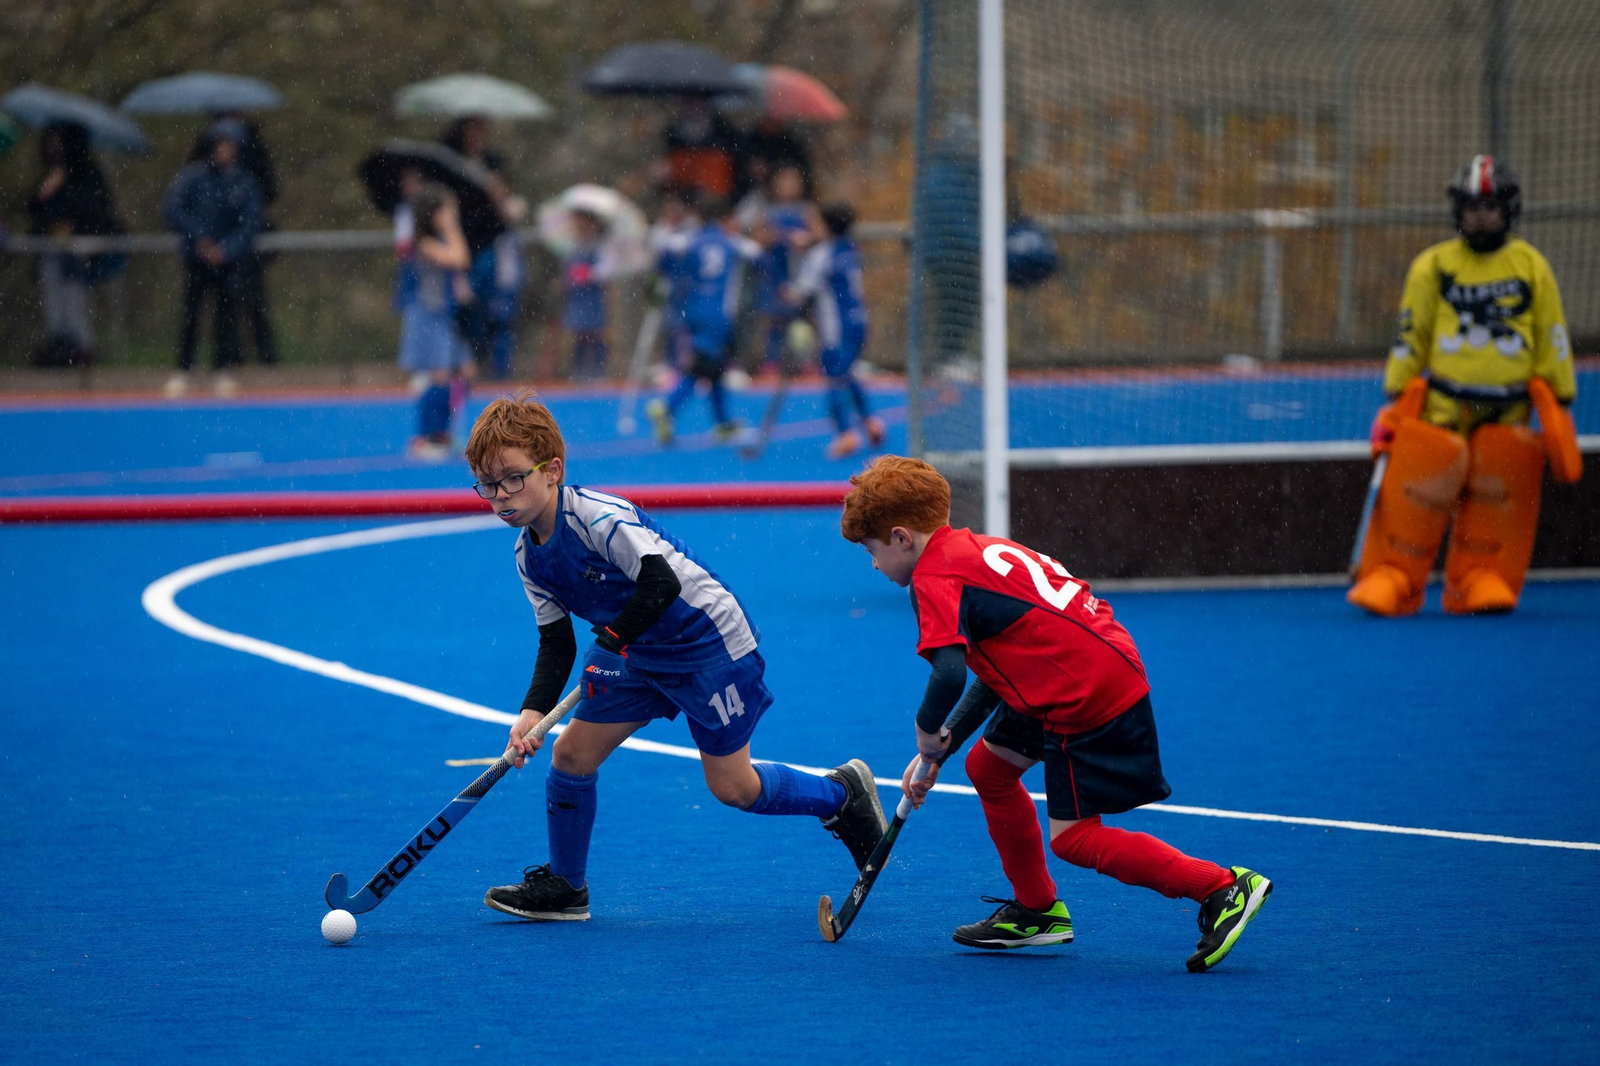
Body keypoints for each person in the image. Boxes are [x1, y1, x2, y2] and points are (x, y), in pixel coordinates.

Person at [465, 391, 888, 920]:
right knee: (571, 755)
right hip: (638, 648)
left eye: (512, 477)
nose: (499, 494)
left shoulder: (597, 518)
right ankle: (567, 887)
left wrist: (612, 644)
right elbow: (556, 641)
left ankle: (841, 795)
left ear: (552, 471)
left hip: (708, 643)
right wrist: (533, 712)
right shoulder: (528, 555)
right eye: (486, 483)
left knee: (733, 787)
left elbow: (660, 584)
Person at [839, 455, 1273, 971]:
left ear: (901, 537)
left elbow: (950, 673)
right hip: (1084, 667)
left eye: (872, 550)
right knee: (988, 769)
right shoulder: (974, 549)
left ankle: (1221, 887)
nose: (872, 563)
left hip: (1081, 692)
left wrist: (927, 734)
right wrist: (947, 744)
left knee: (1075, 838)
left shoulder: (932, 577)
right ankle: (1037, 912)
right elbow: (998, 664)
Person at [1349, 155, 1581, 617]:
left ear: (1509, 209)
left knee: (1497, 494)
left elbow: (1551, 331)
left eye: (1490, 205)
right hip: (1442, 405)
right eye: (1471, 204)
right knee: (1418, 489)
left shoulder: (1530, 266)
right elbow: (1411, 331)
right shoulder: (1432, 267)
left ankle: (1482, 576)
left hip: (1509, 409)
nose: (1480, 214)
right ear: (1457, 209)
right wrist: (1396, 396)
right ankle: (1393, 573)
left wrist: (1559, 396)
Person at [646, 199, 762, 443]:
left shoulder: (689, 240)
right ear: (725, 220)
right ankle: (666, 408)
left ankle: (722, 423)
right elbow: (758, 256)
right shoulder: (732, 243)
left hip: (694, 309)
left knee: (716, 369)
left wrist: (661, 278)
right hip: (719, 315)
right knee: (702, 368)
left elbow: (665, 254)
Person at [162, 118, 263, 398]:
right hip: (197, 258)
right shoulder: (194, 177)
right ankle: (184, 369)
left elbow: (250, 223)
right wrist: (200, 239)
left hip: (227, 262)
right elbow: (173, 208)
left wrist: (226, 249)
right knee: (192, 315)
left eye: (229, 146)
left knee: (226, 317)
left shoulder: (243, 182)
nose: (224, 151)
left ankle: (221, 369)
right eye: (220, 145)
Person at [788, 203, 884, 459]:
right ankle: (870, 422)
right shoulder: (850, 248)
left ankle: (845, 434)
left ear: (826, 227)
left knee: (833, 378)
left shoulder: (820, 255)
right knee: (846, 374)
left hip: (836, 328)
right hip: (859, 322)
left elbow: (799, 294)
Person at [25, 121, 120, 368]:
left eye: (59, 142)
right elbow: (35, 210)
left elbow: (96, 210)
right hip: (52, 249)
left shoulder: (89, 173)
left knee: (75, 301)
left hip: (78, 251)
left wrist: (69, 203)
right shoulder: (50, 174)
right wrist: (46, 190)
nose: (55, 147)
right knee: (53, 302)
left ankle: (81, 351)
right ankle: (61, 349)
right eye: (51, 142)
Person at [190, 114, 279, 366]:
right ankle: (211, 361)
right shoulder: (199, 174)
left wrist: (229, 248)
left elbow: (253, 215)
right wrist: (203, 240)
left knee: (248, 308)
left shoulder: (247, 174)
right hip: (206, 254)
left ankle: (261, 360)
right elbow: (178, 207)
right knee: (198, 313)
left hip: (240, 254)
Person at [397, 183, 471, 459]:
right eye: (446, 209)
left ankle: (444, 431)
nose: (453, 214)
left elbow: (461, 262)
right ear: (432, 213)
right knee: (440, 374)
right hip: (427, 315)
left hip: (445, 315)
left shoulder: (440, 239)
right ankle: (426, 436)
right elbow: (459, 259)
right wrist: (452, 228)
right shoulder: (423, 242)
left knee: (463, 373)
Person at [752, 164, 820, 377]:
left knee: (803, 319)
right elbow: (757, 239)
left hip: (800, 273)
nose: (789, 187)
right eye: (785, 182)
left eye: (794, 182)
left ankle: (806, 362)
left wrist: (806, 239)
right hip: (776, 274)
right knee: (776, 320)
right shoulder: (768, 211)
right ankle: (772, 361)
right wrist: (777, 236)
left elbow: (819, 236)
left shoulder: (807, 210)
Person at [562, 209, 612, 381]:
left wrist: (588, 274)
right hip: (577, 296)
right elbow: (568, 270)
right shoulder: (573, 245)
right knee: (579, 334)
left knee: (594, 333)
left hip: (592, 296)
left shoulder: (598, 245)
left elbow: (606, 271)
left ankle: (598, 370)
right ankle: (578, 370)